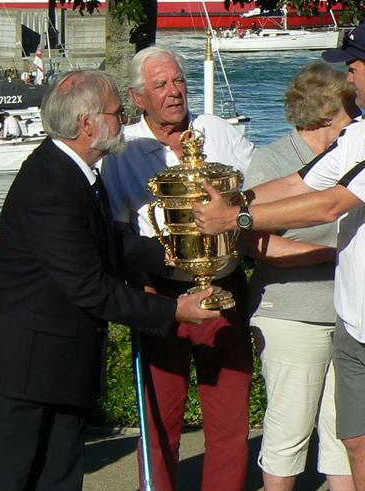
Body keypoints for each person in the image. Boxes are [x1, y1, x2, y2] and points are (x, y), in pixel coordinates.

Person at [193, 18, 365, 491]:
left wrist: (235, 220)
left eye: (352, 67)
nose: (348, 79)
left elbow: (333, 202)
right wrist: (234, 202)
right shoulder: (361, 134)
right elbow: (302, 181)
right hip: (354, 318)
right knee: (358, 442)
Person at [0, 70, 220, 490]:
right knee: (11, 480)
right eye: (117, 113)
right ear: (87, 124)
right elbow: (89, 286)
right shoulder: (52, 186)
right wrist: (174, 310)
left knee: (59, 479)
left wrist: (180, 259)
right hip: (22, 368)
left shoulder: (76, 172)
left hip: (55, 362)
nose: (123, 121)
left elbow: (109, 243)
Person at [102, 45, 255, 491]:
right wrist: (141, 292)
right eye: (161, 85)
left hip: (224, 285)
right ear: (138, 97)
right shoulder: (124, 149)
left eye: (179, 82)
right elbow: (115, 235)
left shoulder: (218, 131)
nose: (174, 93)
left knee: (229, 413)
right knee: (160, 415)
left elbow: (261, 192)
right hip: (159, 296)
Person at [245, 61, 358, 491]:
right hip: (290, 314)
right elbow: (256, 244)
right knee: (289, 428)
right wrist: (332, 254)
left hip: (349, 314)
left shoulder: (354, 157)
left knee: (345, 430)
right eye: (352, 105)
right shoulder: (271, 160)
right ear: (330, 112)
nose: (361, 113)